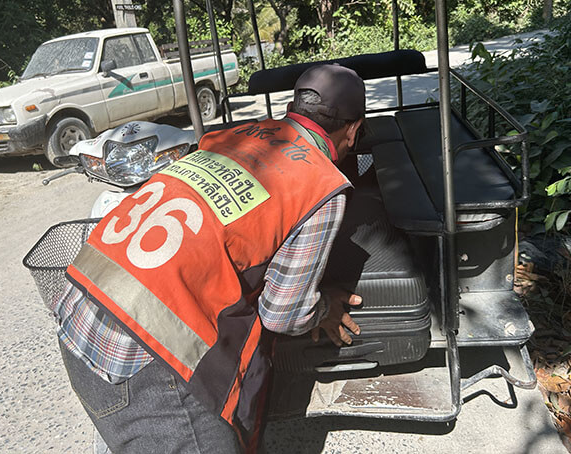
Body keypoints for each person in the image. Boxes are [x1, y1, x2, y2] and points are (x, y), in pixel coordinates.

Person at [56, 64, 366, 453]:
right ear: (354, 130)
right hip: (147, 356)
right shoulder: (321, 183)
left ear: (294, 108)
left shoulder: (227, 137)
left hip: (80, 312)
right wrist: (325, 308)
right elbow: (284, 314)